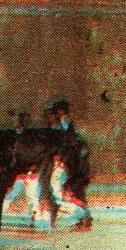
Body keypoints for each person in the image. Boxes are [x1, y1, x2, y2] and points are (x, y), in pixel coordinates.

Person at [42, 97, 93, 230]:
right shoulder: (58, 126)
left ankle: (83, 217)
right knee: (60, 191)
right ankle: (82, 218)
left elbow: (75, 145)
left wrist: (64, 160)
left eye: (55, 113)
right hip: (60, 163)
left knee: (68, 191)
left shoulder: (68, 126)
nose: (52, 116)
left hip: (68, 164)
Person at [3, 112, 43, 223]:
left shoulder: (29, 136)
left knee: (32, 198)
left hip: (29, 172)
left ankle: (34, 218)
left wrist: (32, 168)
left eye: (18, 121)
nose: (16, 123)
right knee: (11, 196)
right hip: (19, 172)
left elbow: (34, 153)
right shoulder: (13, 136)